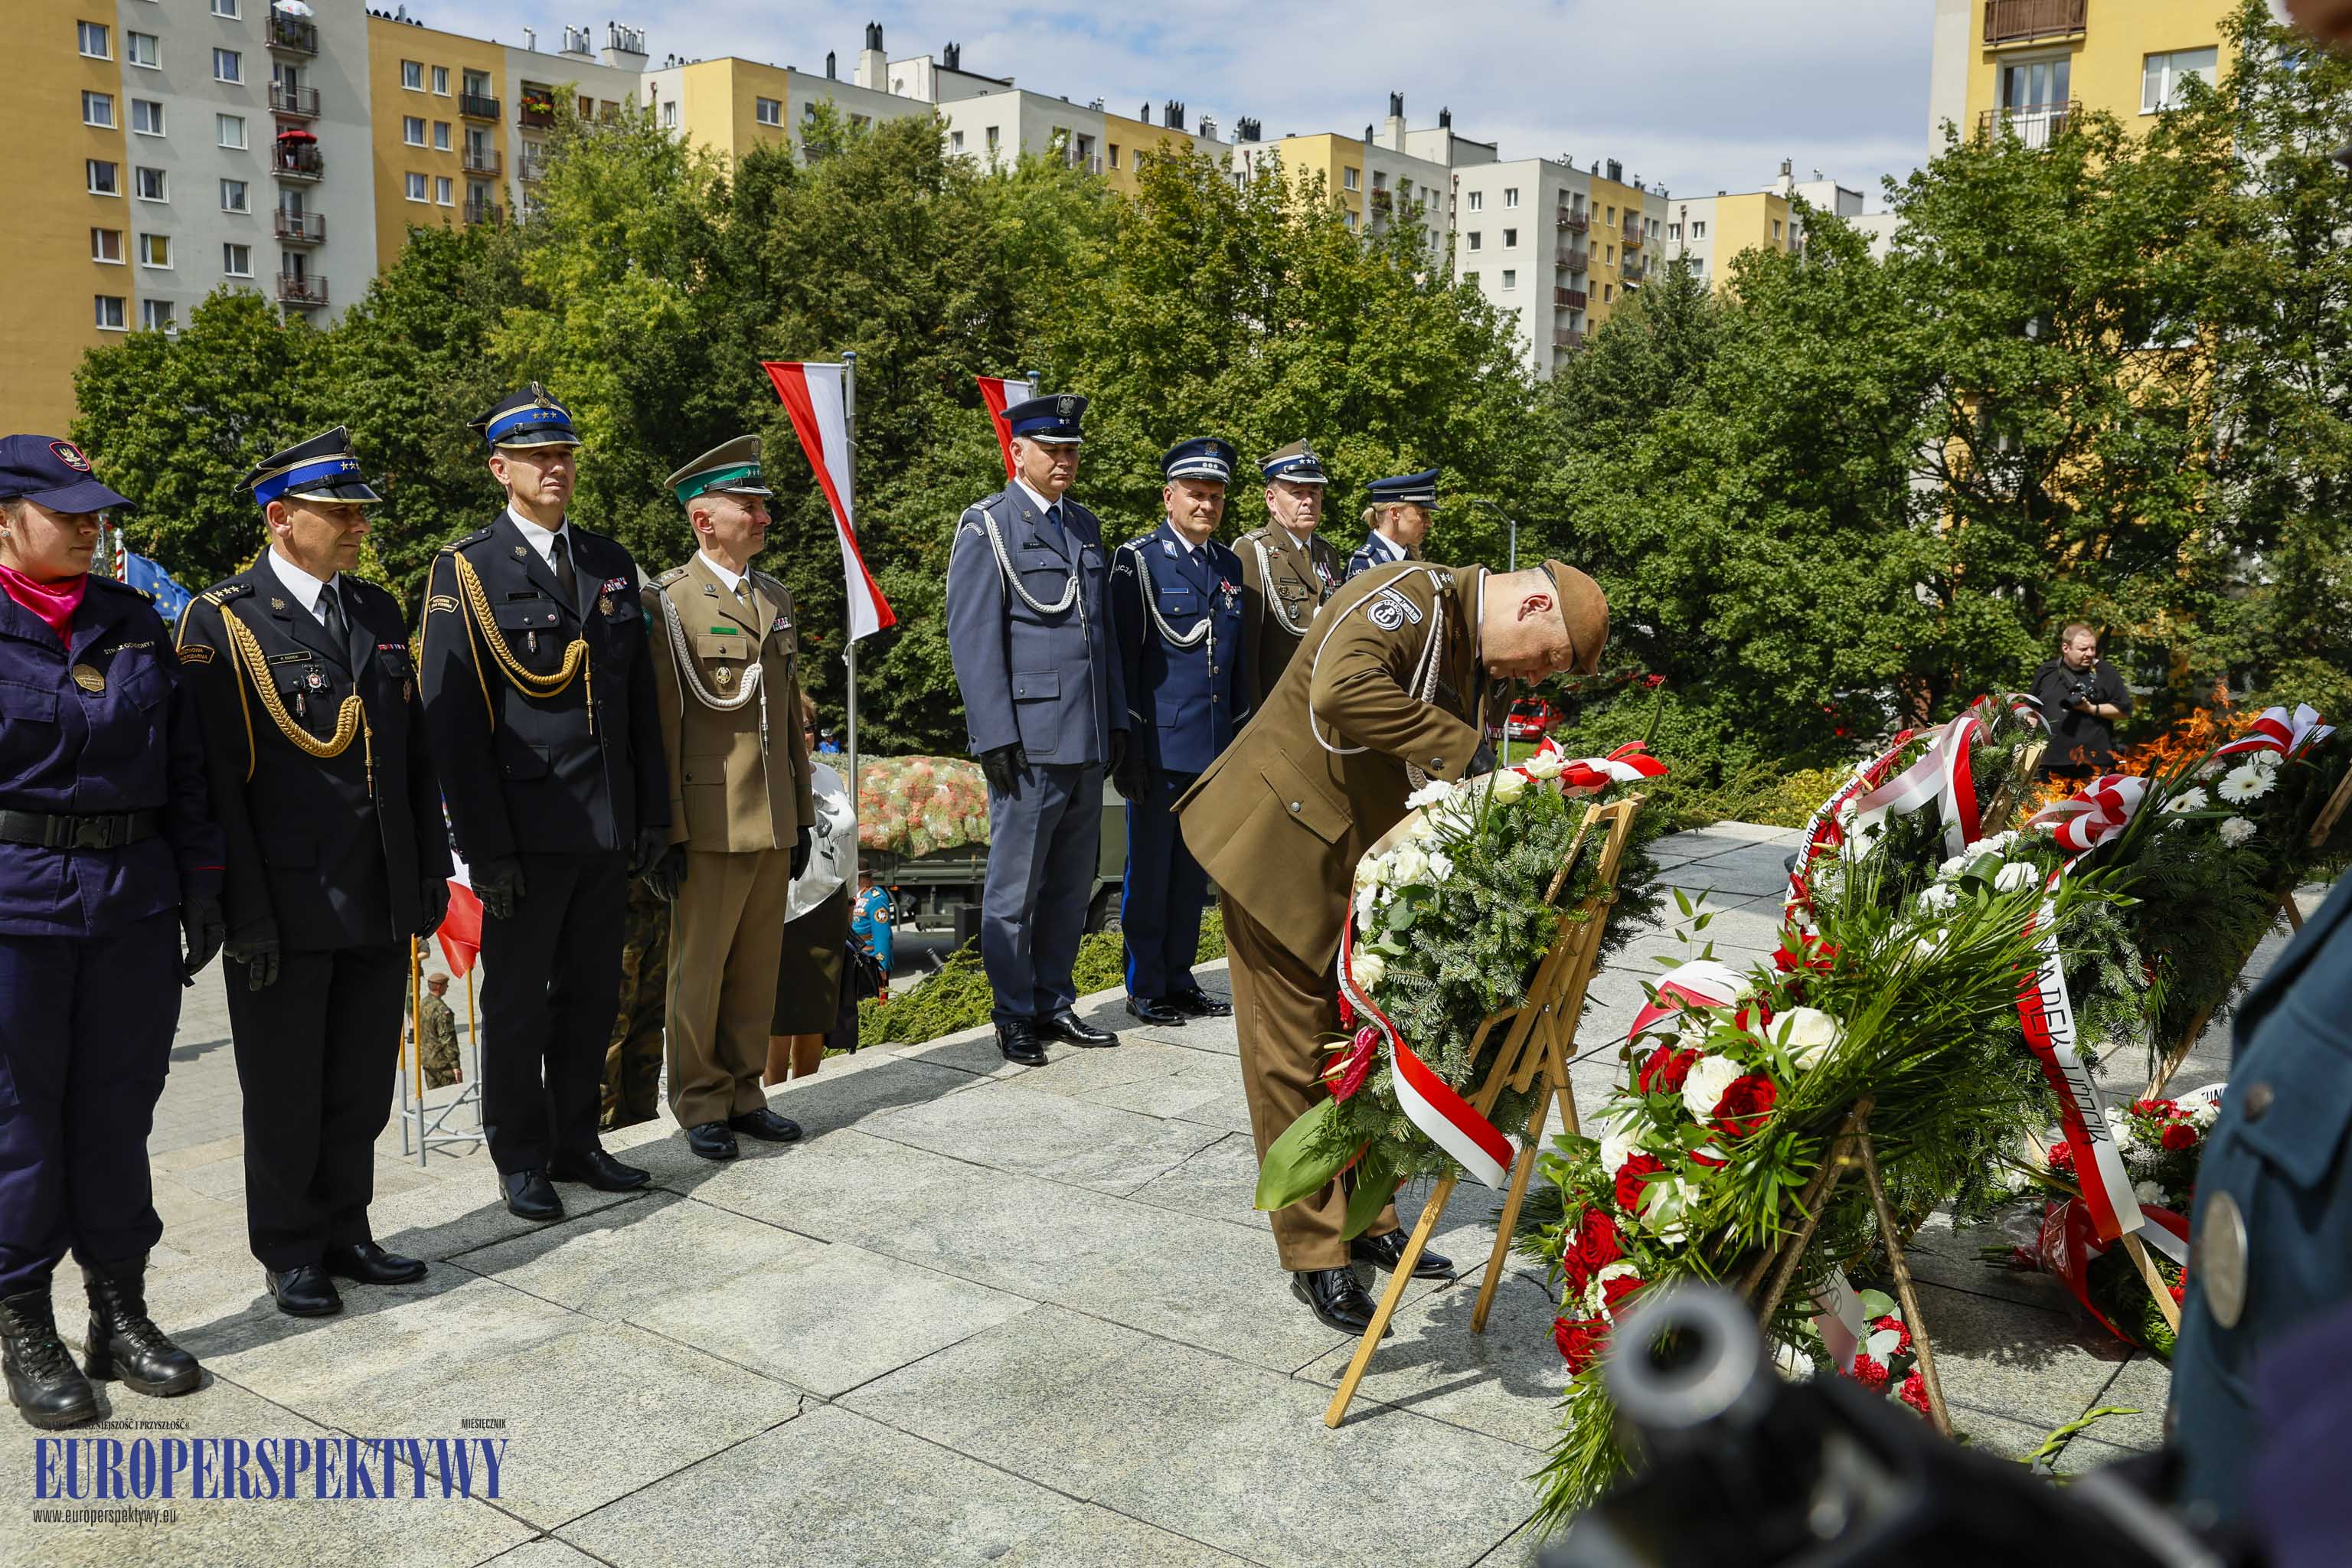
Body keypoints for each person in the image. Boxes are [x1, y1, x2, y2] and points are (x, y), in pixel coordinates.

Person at [1178, 560, 1609, 1333]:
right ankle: (1316, 1252)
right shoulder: (1411, 600)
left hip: (1349, 861)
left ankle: (1367, 1221)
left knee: (1363, 1046)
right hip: (1275, 846)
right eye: (1547, 658)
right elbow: (1340, 690)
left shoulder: (1472, 651)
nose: (1537, 679)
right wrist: (1466, 751)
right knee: (1294, 1053)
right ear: (1533, 604)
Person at [175, 427, 452, 1316]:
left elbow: (410, 756)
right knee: (286, 1088)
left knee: (361, 1081)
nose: (358, 524)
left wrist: (427, 867)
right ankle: (291, 1247)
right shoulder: (223, 619)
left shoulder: (374, 609)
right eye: (340, 512)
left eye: (359, 510)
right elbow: (214, 780)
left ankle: (347, 1228)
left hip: (376, 888)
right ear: (280, 517)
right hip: (286, 899)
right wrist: (239, 909)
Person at [0, 436, 223, 1429]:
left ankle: (118, 1313)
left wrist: (202, 885)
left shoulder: (132, 622)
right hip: (15, 909)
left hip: (130, 900)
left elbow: (186, 770)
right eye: (68, 513)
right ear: (6, 518)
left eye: (96, 514)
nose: (91, 529)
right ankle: (25, 1323)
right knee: (18, 1123)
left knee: (118, 1112)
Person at [419, 384, 666, 1221]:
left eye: (562, 454)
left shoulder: (607, 561)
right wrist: (485, 848)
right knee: (518, 1004)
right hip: (524, 831)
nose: (554, 468)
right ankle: (520, 1156)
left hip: (605, 823)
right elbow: (453, 724)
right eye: (535, 457)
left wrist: (650, 815)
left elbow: (637, 705)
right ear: (501, 469)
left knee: (593, 996)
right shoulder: (466, 569)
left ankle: (576, 1140)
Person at [639, 436, 812, 1161]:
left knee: (756, 967)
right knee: (700, 972)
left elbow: (788, 716)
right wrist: (667, 827)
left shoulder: (774, 597)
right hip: (708, 819)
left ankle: (745, 1092)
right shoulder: (668, 602)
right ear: (703, 520)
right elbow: (662, 724)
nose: (764, 516)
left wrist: (802, 813)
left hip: (772, 816)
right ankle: (701, 1101)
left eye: (763, 505)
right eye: (750, 506)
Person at [945, 393, 1129, 1067]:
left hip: (1085, 737)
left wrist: (1116, 719)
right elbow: (973, 638)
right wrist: (993, 734)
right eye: (1051, 449)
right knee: (1014, 891)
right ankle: (1014, 1012)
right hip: (1027, 741)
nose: (1064, 460)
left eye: (1071, 449)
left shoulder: (1084, 524)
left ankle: (1054, 1000)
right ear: (1017, 452)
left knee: (1071, 886)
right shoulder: (988, 526)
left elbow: (1100, 637)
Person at [1109, 437, 1248, 1026]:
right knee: (1150, 873)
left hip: (1212, 750)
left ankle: (1179, 977)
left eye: (1215, 496)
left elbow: (1234, 668)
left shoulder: (1228, 567)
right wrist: (1128, 745)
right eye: (1195, 494)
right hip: (1159, 749)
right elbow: (1124, 661)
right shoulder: (1138, 561)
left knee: (1192, 877)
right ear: (1169, 497)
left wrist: (1238, 744)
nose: (1206, 505)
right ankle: (1145, 986)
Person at [769, 694, 856, 1085]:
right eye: (792, 726)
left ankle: (809, 1094)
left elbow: (849, 839)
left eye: (806, 727)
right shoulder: (767, 778)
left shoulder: (831, 777)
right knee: (776, 1022)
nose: (802, 735)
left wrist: (850, 895)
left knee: (816, 1018)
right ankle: (772, 1097)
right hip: (782, 911)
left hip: (828, 908)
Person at [1236, 441, 1344, 712]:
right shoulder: (1253, 550)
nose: (1308, 501)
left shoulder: (1327, 554)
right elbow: (1246, 651)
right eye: (1297, 492)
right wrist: (1253, 719)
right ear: (1271, 500)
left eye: (1314, 492)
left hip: (1326, 707)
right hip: (1278, 710)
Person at [601, 876, 669, 1130]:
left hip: (659, 897)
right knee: (609, 1022)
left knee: (651, 1019)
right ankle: (604, 1123)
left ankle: (643, 1120)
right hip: (613, 901)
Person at [2029, 623, 2132, 781]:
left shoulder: (2105, 671)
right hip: (2049, 764)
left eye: (2093, 648)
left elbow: (2124, 711)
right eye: (2083, 649)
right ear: (2066, 648)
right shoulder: (2046, 671)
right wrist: (2025, 746)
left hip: (2093, 766)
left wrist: (2091, 709)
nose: (2090, 653)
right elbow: (2032, 711)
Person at [1342, 468, 1439, 582]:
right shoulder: (1365, 565)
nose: (1429, 523)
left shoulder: (1410, 559)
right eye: (1423, 514)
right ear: (1394, 513)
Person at [420, 973, 462, 1091]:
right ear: (439, 987)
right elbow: (447, 1039)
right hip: (443, 1063)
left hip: (427, 1061)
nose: (447, 987)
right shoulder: (442, 1010)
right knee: (452, 1095)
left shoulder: (422, 1004)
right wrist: (455, 1065)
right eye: (446, 985)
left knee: (433, 1095)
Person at [851, 867, 895, 978]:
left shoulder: (876, 898)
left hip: (870, 959)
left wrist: (881, 966)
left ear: (858, 878)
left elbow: (882, 935)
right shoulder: (857, 896)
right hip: (857, 958)